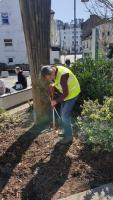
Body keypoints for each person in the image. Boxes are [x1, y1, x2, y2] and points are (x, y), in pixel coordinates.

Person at [41, 65, 81, 144]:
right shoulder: (52, 69)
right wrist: (53, 84)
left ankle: (69, 136)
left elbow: (66, 93)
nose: (49, 80)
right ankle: (66, 130)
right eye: (47, 78)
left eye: (50, 78)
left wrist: (56, 101)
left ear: (52, 72)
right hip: (66, 94)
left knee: (64, 115)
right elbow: (57, 82)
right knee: (62, 113)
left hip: (73, 93)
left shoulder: (63, 75)